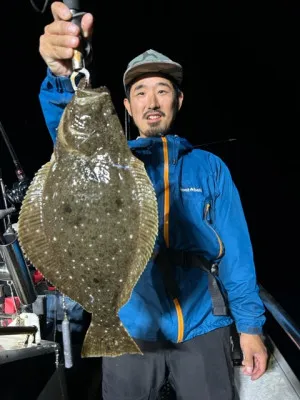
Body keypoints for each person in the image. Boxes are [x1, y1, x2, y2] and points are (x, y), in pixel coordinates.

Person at [38, 2, 268, 399]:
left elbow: (237, 255)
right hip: (130, 325)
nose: (153, 101)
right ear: (127, 107)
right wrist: (62, 78)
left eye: (163, 90)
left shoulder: (210, 167)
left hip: (202, 325)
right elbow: (73, 140)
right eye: (140, 92)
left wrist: (249, 328)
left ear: (179, 101)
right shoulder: (111, 161)